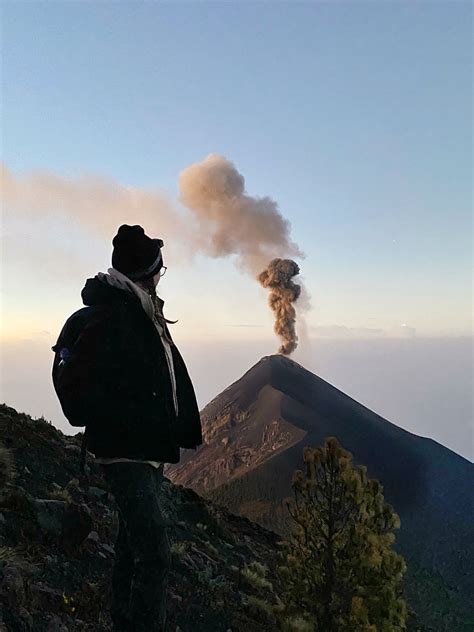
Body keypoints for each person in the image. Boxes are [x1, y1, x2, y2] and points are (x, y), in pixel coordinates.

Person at [56, 224, 202, 631]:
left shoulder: (138, 309)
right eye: (160, 269)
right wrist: (124, 419)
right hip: (126, 453)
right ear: (146, 273)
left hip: (145, 449)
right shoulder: (115, 316)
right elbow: (84, 388)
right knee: (155, 551)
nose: (161, 276)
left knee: (129, 542)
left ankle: (121, 618)